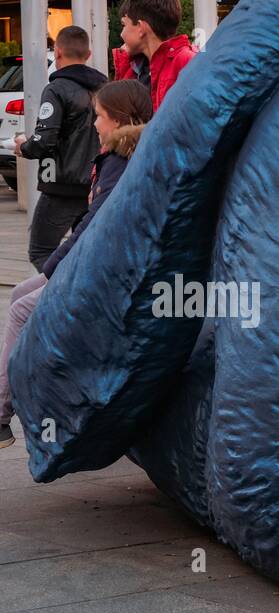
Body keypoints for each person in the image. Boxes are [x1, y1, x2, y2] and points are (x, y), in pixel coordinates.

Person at [0, 80, 153, 450]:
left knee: (22, 309)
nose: (94, 124)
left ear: (116, 120)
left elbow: (93, 227)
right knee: (21, 293)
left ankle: (1, 415)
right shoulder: (120, 156)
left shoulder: (119, 161)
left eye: (99, 117)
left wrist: (54, 270)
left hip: (108, 271)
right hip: (100, 261)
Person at [13, 26, 107, 272]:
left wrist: (24, 147)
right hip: (98, 183)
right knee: (84, 251)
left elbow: (45, 140)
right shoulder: (105, 88)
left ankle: (64, 297)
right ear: (88, 54)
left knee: (41, 251)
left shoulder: (56, 89)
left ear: (57, 52)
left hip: (61, 185)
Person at [113, 0, 197, 111]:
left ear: (140, 28)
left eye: (124, 25)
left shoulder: (186, 62)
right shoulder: (132, 67)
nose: (121, 34)